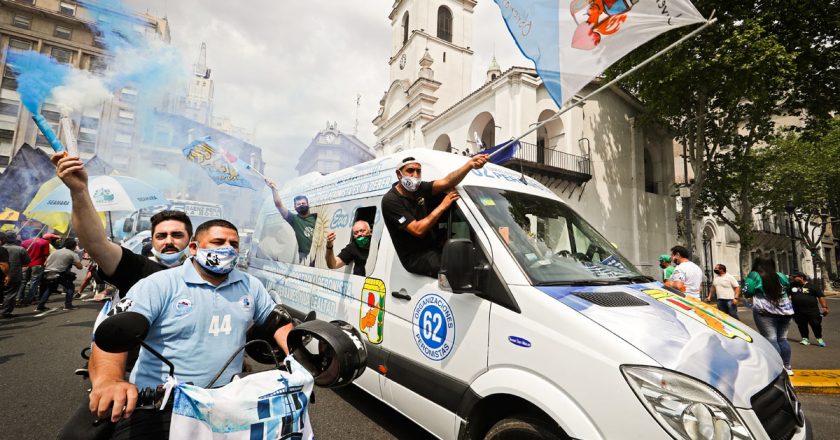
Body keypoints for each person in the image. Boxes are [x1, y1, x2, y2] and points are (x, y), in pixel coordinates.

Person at [87, 220, 293, 438]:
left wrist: (299, 361)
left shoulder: (250, 285)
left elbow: (277, 323)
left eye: (234, 244)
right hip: (164, 404)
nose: (228, 248)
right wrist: (110, 380)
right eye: (218, 242)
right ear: (194, 248)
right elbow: (113, 335)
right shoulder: (158, 284)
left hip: (227, 403)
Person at [53, 153, 194, 440]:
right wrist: (79, 191)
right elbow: (96, 242)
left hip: (197, 383)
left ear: (191, 242)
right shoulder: (139, 269)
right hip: (133, 377)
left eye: (177, 235)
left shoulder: (211, 277)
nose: (169, 241)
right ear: (152, 242)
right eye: (161, 235)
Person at [381, 154, 489, 277]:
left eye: (418, 171)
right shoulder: (391, 200)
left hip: (432, 248)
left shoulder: (420, 188)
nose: (415, 175)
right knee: (455, 270)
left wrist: (469, 165)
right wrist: (443, 206)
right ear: (399, 174)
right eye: (410, 171)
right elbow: (417, 230)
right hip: (415, 257)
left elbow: (447, 181)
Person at [743, 256, 795, 375]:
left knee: (771, 339)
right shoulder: (781, 275)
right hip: (785, 311)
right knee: (782, 339)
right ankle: (787, 366)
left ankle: (777, 366)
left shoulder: (755, 275)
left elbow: (747, 292)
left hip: (765, 312)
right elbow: (787, 287)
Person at [265, 179, 317, 264]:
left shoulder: (316, 217)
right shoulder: (294, 219)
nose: (301, 205)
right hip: (304, 258)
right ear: (295, 207)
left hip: (319, 255)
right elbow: (279, 205)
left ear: (308, 204)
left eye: (303, 203)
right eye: (298, 204)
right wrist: (274, 189)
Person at [35, 238, 82, 311]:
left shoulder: (55, 252)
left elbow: (45, 263)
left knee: (50, 289)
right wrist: (72, 262)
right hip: (59, 273)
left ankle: (40, 306)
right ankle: (68, 305)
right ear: (74, 246)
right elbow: (80, 267)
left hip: (47, 273)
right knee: (70, 287)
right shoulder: (73, 254)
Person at [790, 272, 829, 347]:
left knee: (816, 324)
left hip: (812, 310)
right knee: (801, 325)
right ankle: (805, 338)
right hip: (798, 310)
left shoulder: (813, 286)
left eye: (795, 277)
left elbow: (821, 297)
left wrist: (824, 307)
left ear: (801, 277)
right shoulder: (792, 285)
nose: (793, 278)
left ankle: (819, 338)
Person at [1, 232, 30, 318]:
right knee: (10, 293)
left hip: (3, 273)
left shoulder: (1, 248)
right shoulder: (20, 249)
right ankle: (6, 312)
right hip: (13, 274)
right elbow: (27, 261)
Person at [18, 231, 50, 306]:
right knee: (34, 282)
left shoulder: (24, 242)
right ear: (41, 234)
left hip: (25, 265)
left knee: (23, 282)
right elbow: (46, 255)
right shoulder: (44, 242)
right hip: (38, 264)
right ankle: (29, 299)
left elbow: (22, 254)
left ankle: (19, 298)